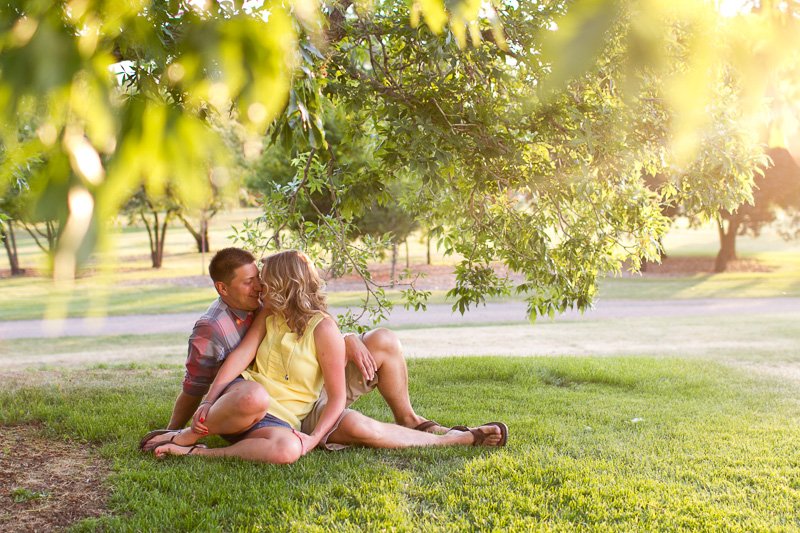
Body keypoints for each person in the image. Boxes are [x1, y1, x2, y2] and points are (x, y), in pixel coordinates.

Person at [142, 250, 507, 463]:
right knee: (256, 396)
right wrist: (202, 407)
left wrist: (314, 439)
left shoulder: (321, 328)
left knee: (336, 435)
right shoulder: (263, 315)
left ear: (284, 286)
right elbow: (236, 359)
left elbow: (334, 397)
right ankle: (189, 438)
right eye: (253, 282)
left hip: (295, 414)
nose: (259, 286)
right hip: (250, 403)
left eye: (263, 280)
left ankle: (456, 439)